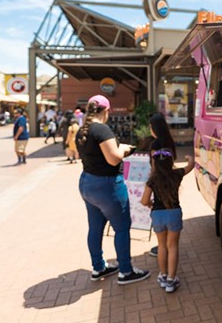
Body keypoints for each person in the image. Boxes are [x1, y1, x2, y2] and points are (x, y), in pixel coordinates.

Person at [76, 94, 150, 285]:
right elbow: (113, 158)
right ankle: (125, 271)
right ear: (106, 110)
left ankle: (98, 267)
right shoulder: (102, 129)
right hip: (107, 185)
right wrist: (125, 149)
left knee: (95, 228)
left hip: (87, 183)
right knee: (122, 228)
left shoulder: (82, 130)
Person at [140, 148, 195, 293]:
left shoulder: (152, 180)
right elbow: (190, 166)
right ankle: (171, 279)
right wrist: (190, 158)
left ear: (154, 163)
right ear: (171, 162)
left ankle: (163, 276)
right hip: (174, 213)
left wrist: (151, 204)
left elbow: (144, 200)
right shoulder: (176, 174)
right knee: (173, 246)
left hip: (158, 215)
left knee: (162, 246)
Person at [145, 112, 177, 257]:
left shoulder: (155, 144)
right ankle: (169, 245)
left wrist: (151, 182)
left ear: (155, 128)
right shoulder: (169, 141)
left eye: (150, 126)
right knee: (170, 206)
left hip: (158, 181)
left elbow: (154, 166)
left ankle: (162, 246)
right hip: (170, 180)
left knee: (159, 207)